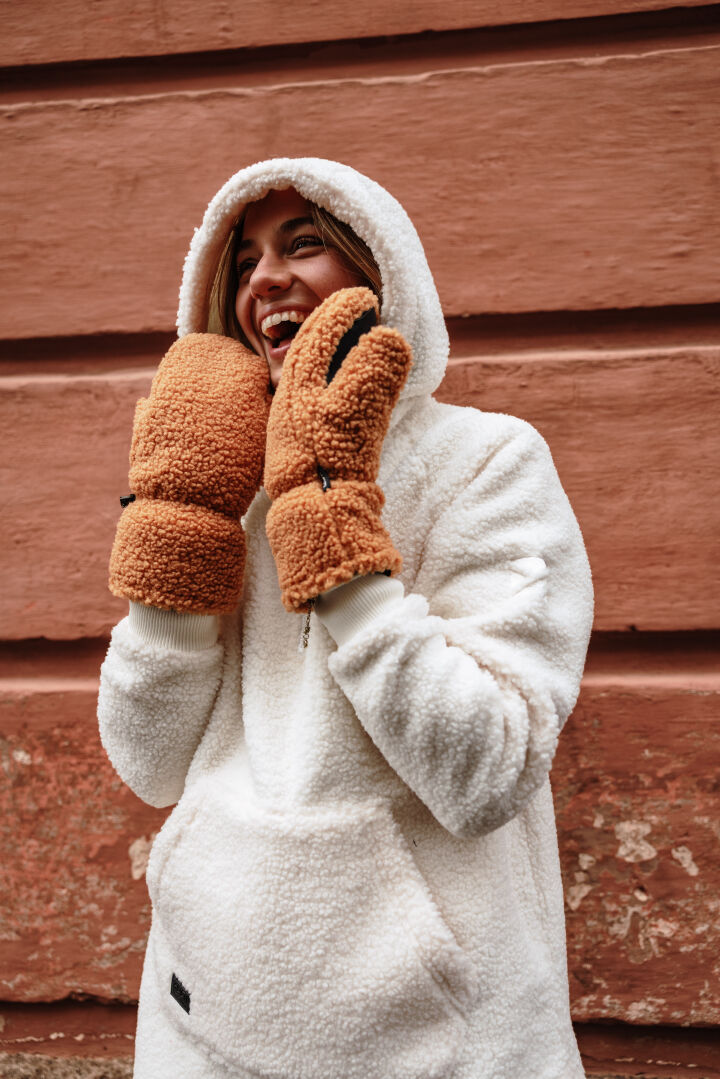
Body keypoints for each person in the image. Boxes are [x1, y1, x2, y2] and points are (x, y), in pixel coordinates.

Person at [98, 157, 594, 1079]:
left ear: (381, 272)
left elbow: (489, 767)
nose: (265, 280)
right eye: (242, 261)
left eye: (304, 243)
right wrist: (180, 533)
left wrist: (333, 534)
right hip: (204, 1017)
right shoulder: (216, 471)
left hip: (441, 1033)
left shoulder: (490, 462)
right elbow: (149, 762)